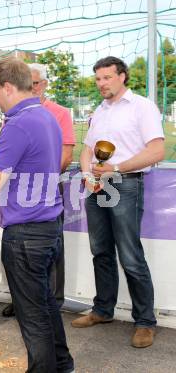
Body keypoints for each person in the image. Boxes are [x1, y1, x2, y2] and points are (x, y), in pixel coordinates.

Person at [0, 57, 74, 373]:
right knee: (45, 305)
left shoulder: (18, 124)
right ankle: (63, 364)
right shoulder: (46, 116)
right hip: (48, 226)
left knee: (32, 315)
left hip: (26, 234)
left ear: (7, 86)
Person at [71, 56, 165, 349]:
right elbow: (87, 148)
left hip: (125, 184)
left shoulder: (142, 106)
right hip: (96, 187)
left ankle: (145, 322)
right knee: (100, 251)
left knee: (130, 256)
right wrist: (88, 174)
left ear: (122, 76)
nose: (101, 84)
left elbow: (157, 151)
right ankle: (102, 310)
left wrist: (116, 168)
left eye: (107, 78)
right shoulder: (99, 110)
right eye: (98, 79)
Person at [2, 62, 76, 317]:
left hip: (46, 188)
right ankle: (24, 299)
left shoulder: (57, 113)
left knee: (49, 250)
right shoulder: (13, 115)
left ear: (44, 84)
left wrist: (40, 177)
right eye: (27, 83)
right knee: (27, 259)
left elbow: (65, 154)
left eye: (34, 83)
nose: (30, 88)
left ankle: (52, 301)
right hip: (19, 189)